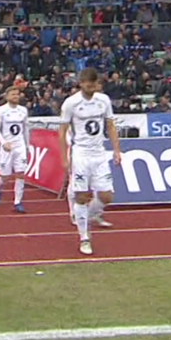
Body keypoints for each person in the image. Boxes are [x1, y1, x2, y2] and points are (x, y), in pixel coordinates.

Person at [59, 67, 122, 256]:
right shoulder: (71, 103)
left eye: (94, 84)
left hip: (99, 154)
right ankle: (84, 237)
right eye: (88, 84)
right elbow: (62, 131)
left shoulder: (103, 100)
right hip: (81, 154)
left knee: (107, 196)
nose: (92, 87)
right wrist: (64, 157)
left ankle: (90, 214)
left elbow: (110, 125)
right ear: (81, 83)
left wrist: (117, 150)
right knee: (81, 196)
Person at [0, 86, 30, 213]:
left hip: (19, 146)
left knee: (20, 174)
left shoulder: (23, 110)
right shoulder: (0, 110)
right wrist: (3, 142)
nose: (15, 97)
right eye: (13, 94)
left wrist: (27, 145)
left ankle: (18, 202)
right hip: (7, 147)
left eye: (17, 94)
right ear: (7, 96)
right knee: (5, 176)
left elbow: (25, 129)